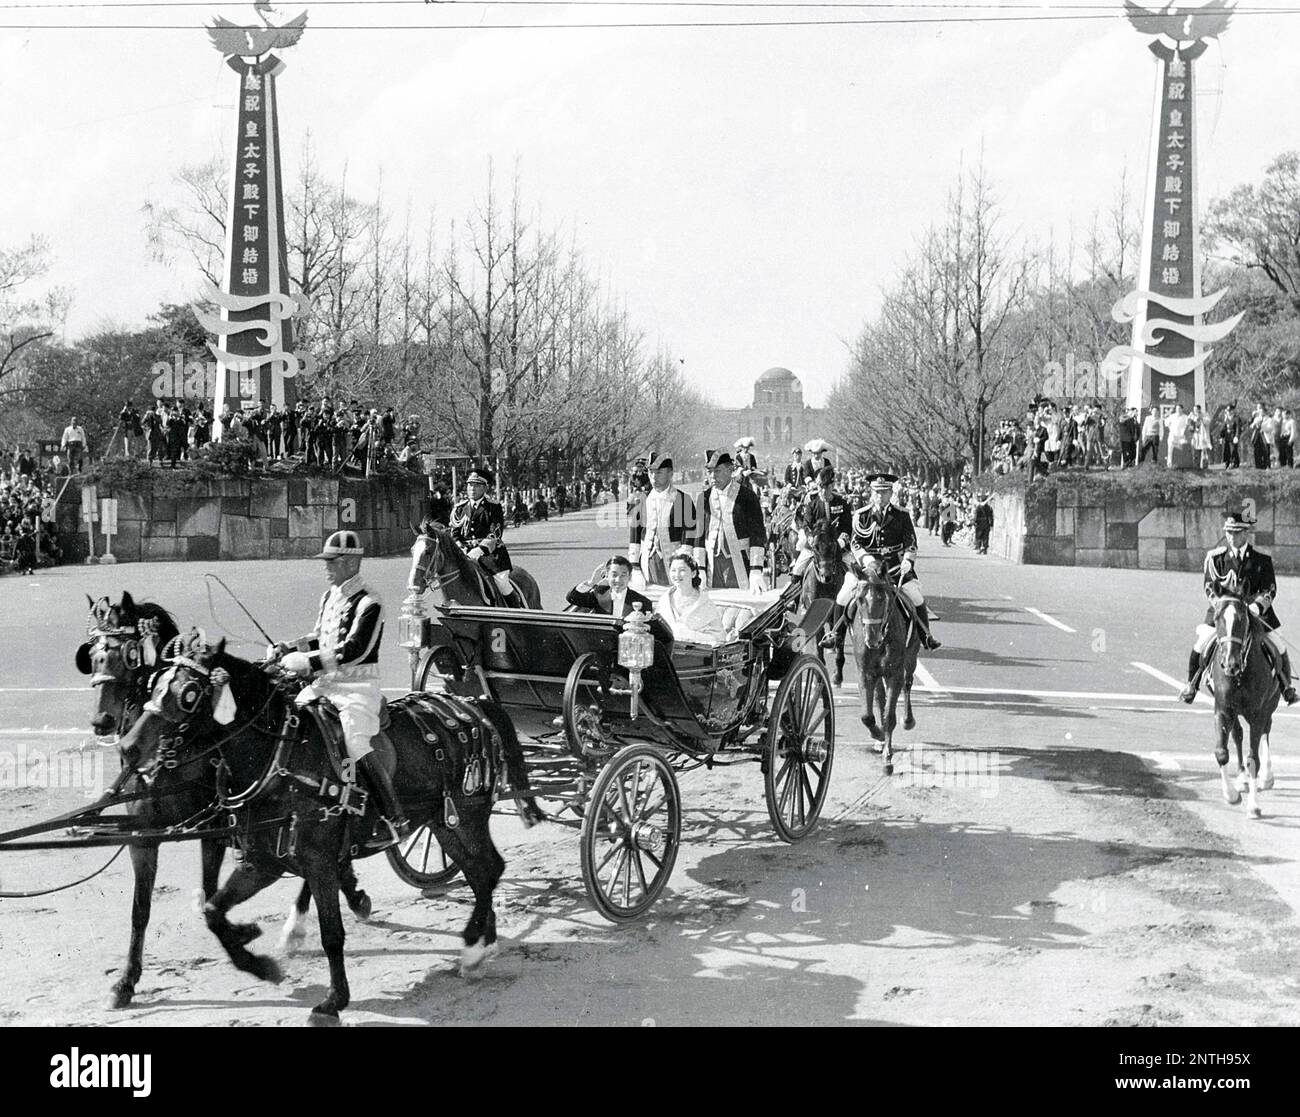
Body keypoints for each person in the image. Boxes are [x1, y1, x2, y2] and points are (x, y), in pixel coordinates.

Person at [271, 530, 409, 848]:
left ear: (349, 562)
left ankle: (393, 816)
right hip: (326, 684)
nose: (326, 567)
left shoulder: (370, 602)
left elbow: (355, 650)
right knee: (293, 720)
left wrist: (308, 663)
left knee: (354, 739)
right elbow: (320, 635)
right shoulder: (330, 596)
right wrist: (289, 647)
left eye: (331, 561)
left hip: (358, 686)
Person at [1178, 510, 1297, 706]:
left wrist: (1257, 606)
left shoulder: (1261, 560)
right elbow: (1209, 586)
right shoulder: (1216, 559)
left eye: (1236, 532)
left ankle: (1286, 688)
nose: (1231, 537)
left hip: (1257, 614)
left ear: (1246, 533)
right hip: (1225, 614)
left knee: (1279, 645)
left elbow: (1270, 589)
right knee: (1200, 645)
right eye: (1228, 532)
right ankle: (1192, 684)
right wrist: (1223, 606)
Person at [830, 472, 941, 650]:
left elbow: (911, 542)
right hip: (867, 568)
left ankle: (926, 636)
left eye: (884, 492)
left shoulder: (901, 515)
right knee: (843, 596)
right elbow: (855, 542)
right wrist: (866, 559)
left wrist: (907, 560)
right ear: (871, 493)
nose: (880, 496)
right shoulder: (861, 515)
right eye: (876, 492)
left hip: (895, 567)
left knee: (916, 598)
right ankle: (835, 636)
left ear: (891, 493)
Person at [692, 450, 768, 593]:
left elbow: (757, 535)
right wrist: (700, 568)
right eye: (710, 471)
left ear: (730, 470)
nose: (713, 476)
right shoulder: (703, 498)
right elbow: (699, 536)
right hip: (712, 565)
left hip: (739, 562)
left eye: (718, 471)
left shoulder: (747, 497)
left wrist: (756, 569)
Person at [449, 467, 526, 607]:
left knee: (502, 582)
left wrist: (479, 550)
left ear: (485, 488)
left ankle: (517, 611)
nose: (472, 488)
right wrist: (460, 548)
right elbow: (454, 534)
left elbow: (495, 533)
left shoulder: (493, 507)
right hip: (464, 553)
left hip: (490, 554)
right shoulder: (459, 509)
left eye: (477, 485)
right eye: (470, 485)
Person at [628, 453, 696, 588]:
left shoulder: (684, 500)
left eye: (659, 473)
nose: (654, 477)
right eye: (651, 472)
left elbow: (689, 536)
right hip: (647, 561)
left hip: (674, 562)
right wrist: (635, 567)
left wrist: (683, 564)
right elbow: (634, 535)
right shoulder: (640, 499)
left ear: (670, 474)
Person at [654, 550, 728, 645]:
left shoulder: (705, 603)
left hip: (697, 655)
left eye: (682, 570)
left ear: (693, 573)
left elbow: (719, 638)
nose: (677, 575)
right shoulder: (664, 601)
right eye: (673, 570)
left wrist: (689, 635)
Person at [796, 465, 851, 585]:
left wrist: (842, 540)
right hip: (816, 546)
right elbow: (807, 525)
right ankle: (794, 600)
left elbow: (847, 526)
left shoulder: (842, 503)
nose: (823, 491)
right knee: (797, 570)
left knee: (856, 570)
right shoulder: (812, 505)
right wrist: (810, 537)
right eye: (820, 487)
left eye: (827, 487)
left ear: (832, 486)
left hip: (838, 546)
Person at [567, 555, 657, 619]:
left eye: (623, 575)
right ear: (607, 576)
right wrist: (591, 583)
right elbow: (572, 597)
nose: (618, 580)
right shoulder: (598, 594)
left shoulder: (643, 602)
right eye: (614, 575)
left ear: (629, 577)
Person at [1220, 403, 1241, 469]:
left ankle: (1234, 463)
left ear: (1232, 411)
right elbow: (1223, 428)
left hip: (1233, 436)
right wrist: (1221, 436)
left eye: (1229, 410)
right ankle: (1227, 463)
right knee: (1227, 451)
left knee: (1233, 450)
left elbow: (1238, 428)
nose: (1228, 412)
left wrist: (1236, 436)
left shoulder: (1236, 418)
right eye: (1227, 410)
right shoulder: (1226, 419)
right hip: (1227, 437)